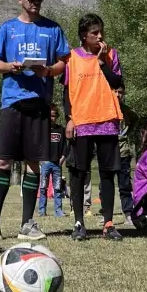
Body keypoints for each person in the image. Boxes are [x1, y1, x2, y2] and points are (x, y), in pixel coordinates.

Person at [0, 0, 69, 243]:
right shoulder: (7, 29)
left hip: (39, 103)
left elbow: (63, 64)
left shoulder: (53, 29)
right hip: (12, 101)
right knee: (3, 161)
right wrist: (10, 67)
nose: (36, 1)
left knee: (34, 163)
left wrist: (46, 71)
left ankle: (27, 223)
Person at [64, 13, 125, 242]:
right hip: (82, 121)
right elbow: (66, 92)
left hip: (108, 119)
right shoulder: (72, 58)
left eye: (101, 32)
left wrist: (102, 62)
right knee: (79, 172)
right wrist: (69, 118)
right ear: (83, 35)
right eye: (94, 32)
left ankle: (108, 224)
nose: (99, 36)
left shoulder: (111, 54)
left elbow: (118, 83)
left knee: (108, 173)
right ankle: (79, 223)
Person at [116, 84, 140, 225]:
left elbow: (135, 119)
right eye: (116, 92)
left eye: (121, 92)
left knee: (124, 184)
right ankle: (106, 214)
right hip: (107, 151)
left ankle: (128, 213)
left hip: (123, 151)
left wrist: (126, 133)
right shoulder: (105, 106)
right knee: (104, 184)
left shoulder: (126, 110)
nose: (118, 95)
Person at [38, 105, 66, 218]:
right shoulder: (42, 130)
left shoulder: (61, 130)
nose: (52, 118)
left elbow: (65, 146)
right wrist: (41, 160)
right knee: (43, 187)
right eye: (50, 116)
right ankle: (42, 210)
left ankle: (58, 210)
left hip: (57, 163)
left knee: (58, 188)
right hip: (45, 163)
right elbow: (38, 145)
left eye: (54, 116)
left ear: (57, 116)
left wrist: (63, 157)